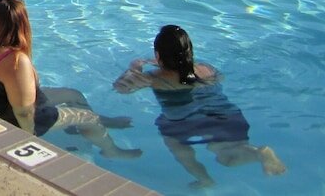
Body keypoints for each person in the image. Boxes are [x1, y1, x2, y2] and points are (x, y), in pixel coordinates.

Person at [0, 0, 141, 160]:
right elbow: (24, 112)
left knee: (74, 95)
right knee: (88, 117)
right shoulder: (15, 61)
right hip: (11, 115)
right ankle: (111, 150)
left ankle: (100, 122)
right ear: (22, 24)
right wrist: (29, 137)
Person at [113, 25, 285, 188]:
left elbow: (121, 88)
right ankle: (258, 152)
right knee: (228, 158)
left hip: (182, 122)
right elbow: (217, 79)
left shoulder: (153, 78)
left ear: (158, 56)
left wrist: (134, 68)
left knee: (174, 141)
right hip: (224, 113)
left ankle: (204, 180)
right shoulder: (206, 68)